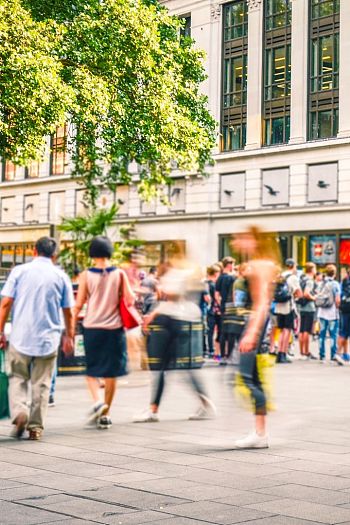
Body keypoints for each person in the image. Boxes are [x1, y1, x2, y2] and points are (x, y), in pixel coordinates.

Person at [0, 237, 75, 440]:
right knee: (41, 383)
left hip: (20, 337)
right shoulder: (60, 277)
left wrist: (0, 331)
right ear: (54, 255)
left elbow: (6, 303)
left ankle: (20, 413)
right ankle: (35, 427)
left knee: (17, 378)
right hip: (48, 339)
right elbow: (68, 311)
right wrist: (70, 335)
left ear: (34, 251)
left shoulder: (19, 272)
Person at [134, 250, 216, 423]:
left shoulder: (175, 275)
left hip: (172, 323)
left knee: (161, 369)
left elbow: (173, 298)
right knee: (175, 369)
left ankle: (154, 410)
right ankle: (203, 404)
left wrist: (153, 314)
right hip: (183, 322)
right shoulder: (186, 274)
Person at [74, 236, 134, 429]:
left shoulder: (85, 275)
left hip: (92, 327)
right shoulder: (120, 274)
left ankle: (97, 401)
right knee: (111, 372)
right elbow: (130, 299)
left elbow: (79, 303)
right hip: (114, 329)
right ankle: (106, 414)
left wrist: (70, 326)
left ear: (92, 253)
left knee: (91, 369)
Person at [230, 226, 279, 449]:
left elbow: (261, 304)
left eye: (241, 238)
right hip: (255, 324)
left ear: (253, 240)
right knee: (251, 377)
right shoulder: (262, 264)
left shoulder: (260, 265)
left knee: (246, 378)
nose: (236, 242)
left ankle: (260, 432)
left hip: (254, 324)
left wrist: (251, 333)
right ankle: (260, 432)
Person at [275, 259, 302, 363]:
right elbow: (299, 293)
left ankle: (278, 353)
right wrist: (295, 297)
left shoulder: (280, 275)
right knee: (287, 330)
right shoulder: (293, 277)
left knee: (281, 330)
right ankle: (283, 353)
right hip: (288, 306)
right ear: (292, 266)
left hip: (278, 306)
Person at [316, 264, 341, 363]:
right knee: (333, 335)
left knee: (321, 334)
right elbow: (337, 300)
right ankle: (332, 355)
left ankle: (321, 356)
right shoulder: (335, 284)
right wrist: (338, 307)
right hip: (332, 312)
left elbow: (317, 295)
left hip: (321, 312)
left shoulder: (321, 283)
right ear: (334, 273)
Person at [215, 256, 235, 364]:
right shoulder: (232, 278)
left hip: (223, 306)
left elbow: (216, 294)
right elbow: (234, 293)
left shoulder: (220, 278)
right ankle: (229, 355)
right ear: (229, 265)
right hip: (231, 306)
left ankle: (222, 356)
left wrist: (220, 304)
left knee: (222, 331)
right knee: (231, 332)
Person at [298, 262, 317, 360]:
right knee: (307, 330)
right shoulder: (309, 280)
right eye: (315, 269)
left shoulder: (302, 278)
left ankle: (301, 351)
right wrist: (314, 298)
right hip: (309, 307)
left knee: (301, 330)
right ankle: (306, 351)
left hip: (302, 306)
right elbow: (306, 293)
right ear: (312, 270)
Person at [206, 265, 221, 358]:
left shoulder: (206, 283)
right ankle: (215, 350)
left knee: (210, 331)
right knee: (218, 331)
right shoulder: (214, 284)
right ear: (216, 273)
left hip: (210, 310)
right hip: (216, 309)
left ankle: (211, 349)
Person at [337, 268, 350, 364]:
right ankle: (339, 353)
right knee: (345, 333)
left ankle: (344, 354)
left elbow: (338, 298)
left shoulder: (343, 283)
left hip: (344, 310)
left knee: (344, 332)